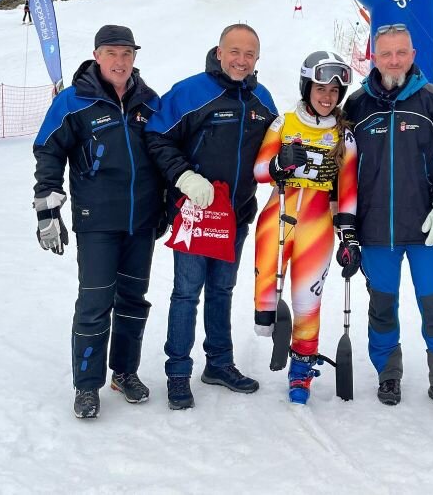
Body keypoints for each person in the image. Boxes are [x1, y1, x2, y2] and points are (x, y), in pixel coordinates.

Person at [145, 24, 278, 410]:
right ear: (219, 53)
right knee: (187, 293)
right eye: (234, 51)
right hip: (194, 215)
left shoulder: (262, 100)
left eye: (249, 54)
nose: (241, 60)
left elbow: (273, 151)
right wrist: (184, 177)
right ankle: (177, 372)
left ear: (257, 59)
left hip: (236, 217)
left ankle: (219, 363)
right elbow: (156, 136)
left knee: (222, 291)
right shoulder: (191, 92)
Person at [33, 25, 163, 419]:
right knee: (94, 303)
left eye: (127, 54)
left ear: (134, 57)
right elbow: (48, 151)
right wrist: (47, 207)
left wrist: (169, 203)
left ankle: (124, 372)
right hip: (97, 222)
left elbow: (166, 151)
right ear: (97, 56)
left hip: (142, 220)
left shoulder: (149, 101)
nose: (120, 62)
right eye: (112, 53)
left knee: (133, 301)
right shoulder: (73, 101)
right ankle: (87, 386)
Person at [344, 24, 433, 416]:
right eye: (386, 54)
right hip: (376, 230)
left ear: (413, 55)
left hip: (428, 229)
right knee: (382, 307)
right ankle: (388, 373)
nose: (393, 60)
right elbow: (343, 166)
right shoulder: (356, 105)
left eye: (401, 53)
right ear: (374, 58)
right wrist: (346, 222)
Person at [252, 51, 359, 404]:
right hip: (278, 215)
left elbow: (348, 191)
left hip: (317, 224)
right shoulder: (283, 123)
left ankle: (301, 369)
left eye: (334, 91)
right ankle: (273, 328)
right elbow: (259, 171)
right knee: (266, 304)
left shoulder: (344, 136)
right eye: (320, 89)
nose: (327, 97)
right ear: (306, 87)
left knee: (307, 300)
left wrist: (349, 238)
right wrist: (279, 163)